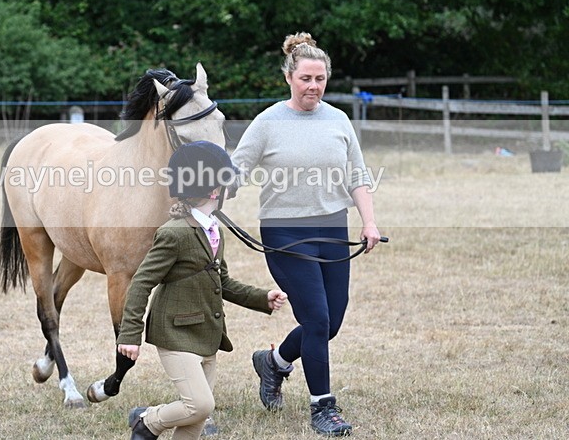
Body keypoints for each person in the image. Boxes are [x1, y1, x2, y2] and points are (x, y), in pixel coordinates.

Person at [230, 32, 383, 437]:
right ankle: (322, 408)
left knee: (330, 323)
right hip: (285, 232)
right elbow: (236, 171)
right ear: (289, 78)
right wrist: (203, 195)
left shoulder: (338, 120)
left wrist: (368, 222)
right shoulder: (267, 123)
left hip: (332, 226)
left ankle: (274, 362)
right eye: (305, 79)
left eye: (320, 79)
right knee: (315, 319)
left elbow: (357, 175)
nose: (313, 86)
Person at [116, 141, 288, 440]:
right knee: (200, 403)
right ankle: (147, 421)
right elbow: (142, 281)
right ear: (213, 191)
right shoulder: (174, 232)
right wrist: (130, 334)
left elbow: (222, 282)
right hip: (175, 332)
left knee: (197, 417)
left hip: (206, 331)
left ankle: (149, 420)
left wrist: (262, 298)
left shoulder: (214, 230)